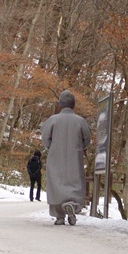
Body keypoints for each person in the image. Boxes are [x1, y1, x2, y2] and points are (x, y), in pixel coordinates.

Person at [41, 90, 91, 225]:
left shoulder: (53, 120)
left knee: (56, 182)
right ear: (73, 105)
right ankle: (72, 205)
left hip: (55, 156)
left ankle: (59, 216)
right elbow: (87, 139)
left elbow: (45, 138)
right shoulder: (80, 121)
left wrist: (52, 147)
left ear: (60, 104)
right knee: (75, 181)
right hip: (75, 157)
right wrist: (80, 147)